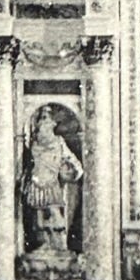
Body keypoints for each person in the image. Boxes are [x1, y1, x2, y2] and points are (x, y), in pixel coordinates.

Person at [22, 109, 84, 259]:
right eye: (41, 120)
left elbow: (72, 161)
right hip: (36, 184)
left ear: (51, 124)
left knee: (55, 215)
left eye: (46, 120)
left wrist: (73, 171)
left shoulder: (59, 142)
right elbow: (27, 164)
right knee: (39, 218)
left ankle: (59, 246)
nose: (43, 124)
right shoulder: (33, 144)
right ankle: (44, 245)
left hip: (53, 184)